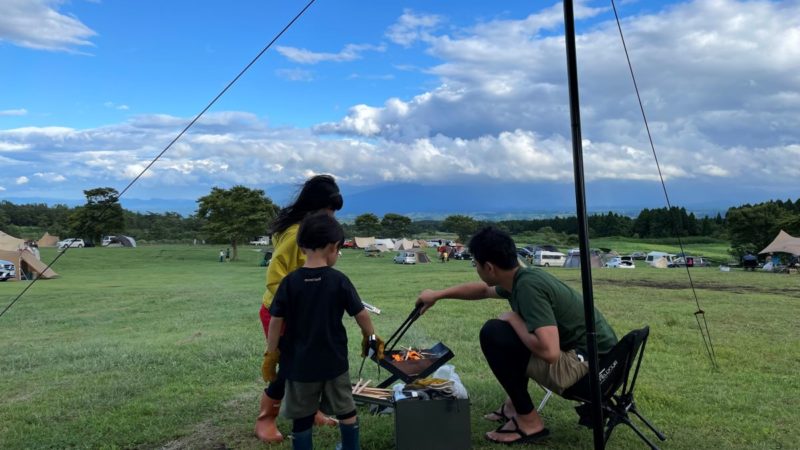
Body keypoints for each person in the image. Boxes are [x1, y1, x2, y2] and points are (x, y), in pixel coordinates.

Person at [416, 227, 617, 445]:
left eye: (476, 264)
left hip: (593, 373)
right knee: (508, 335)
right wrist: (438, 295)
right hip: (606, 361)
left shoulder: (528, 288)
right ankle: (512, 406)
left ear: (489, 267)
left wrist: (514, 319)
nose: (476, 269)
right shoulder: (522, 278)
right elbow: (483, 291)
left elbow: (550, 352)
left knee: (495, 334)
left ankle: (530, 422)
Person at [263, 212, 383, 450]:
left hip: (298, 364)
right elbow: (361, 314)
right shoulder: (339, 280)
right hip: (333, 362)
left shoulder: (289, 282)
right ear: (333, 247)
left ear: (301, 246)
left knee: (302, 416)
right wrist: (370, 337)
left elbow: (276, 320)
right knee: (346, 409)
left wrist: (271, 353)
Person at [255, 174, 344, 443]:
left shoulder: (308, 232)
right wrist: (302, 302)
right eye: (328, 211)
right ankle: (265, 419)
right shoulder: (296, 234)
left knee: (310, 364)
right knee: (289, 367)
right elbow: (275, 278)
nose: (331, 217)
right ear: (315, 207)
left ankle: (311, 411)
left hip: (302, 314)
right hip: (281, 314)